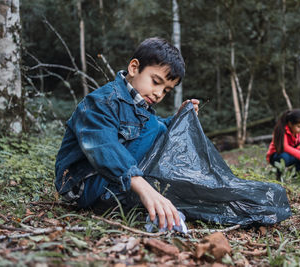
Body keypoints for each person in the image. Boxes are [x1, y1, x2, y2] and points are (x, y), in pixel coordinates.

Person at [55, 37, 199, 230]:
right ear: (133, 68)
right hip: (84, 184)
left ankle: (136, 193)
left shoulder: (140, 106)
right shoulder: (101, 102)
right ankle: (124, 196)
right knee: (153, 128)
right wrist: (141, 185)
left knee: (157, 127)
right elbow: (102, 145)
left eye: (166, 90)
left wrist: (178, 119)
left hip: (110, 178)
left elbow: (156, 126)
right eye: (156, 82)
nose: (158, 93)